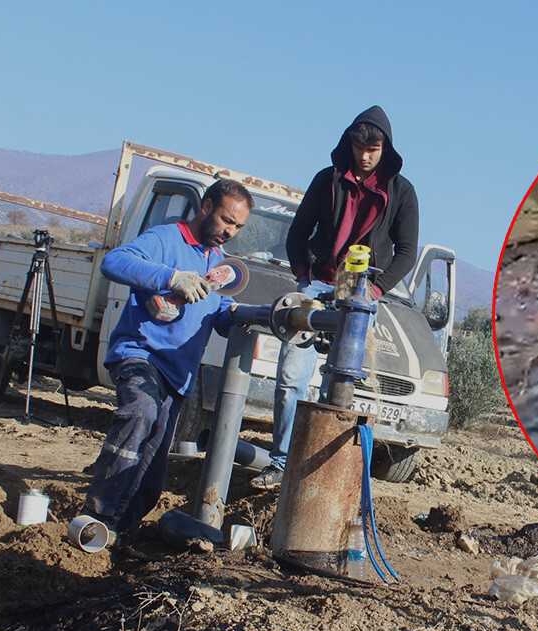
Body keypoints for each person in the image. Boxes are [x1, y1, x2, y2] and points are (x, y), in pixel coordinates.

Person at [251, 105, 419, 489]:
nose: (365, 155)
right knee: (291, 377)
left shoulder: (402, 192)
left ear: (386, 150)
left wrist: (374, 291)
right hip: (315, 288)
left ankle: (316, 475)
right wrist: (302, 275)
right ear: (349, 143)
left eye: (373, 149)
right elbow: (298, 233)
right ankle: (280, 463)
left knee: (339, 383)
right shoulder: (326, 180)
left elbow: (407, 251)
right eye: (360, 147)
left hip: (360, 297)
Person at [81, 178, 252, 538]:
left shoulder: (218, 263)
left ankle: (120, 535)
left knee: (151, 474)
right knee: (140, 412)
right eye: (225, 220)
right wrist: (172, 277)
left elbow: (218, 316)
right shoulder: (165, 239)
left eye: (238, 226)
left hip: (179, 377)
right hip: (141, 355)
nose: (230, 231)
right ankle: (95, 516)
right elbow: (115, 261)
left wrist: (241, 316)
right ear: (206, 207)